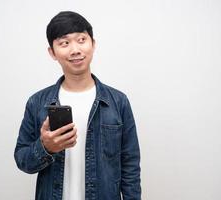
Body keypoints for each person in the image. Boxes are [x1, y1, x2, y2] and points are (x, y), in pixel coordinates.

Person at [14, 11, 141, 200]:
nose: (75, 49)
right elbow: (22, 160)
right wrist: (45, 147)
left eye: (81, 39)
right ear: (52, 52)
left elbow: (130, 166)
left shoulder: (118, 101)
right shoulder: (37, 102)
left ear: (93, 43)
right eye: (64, 43)